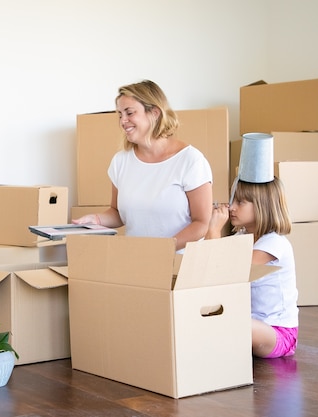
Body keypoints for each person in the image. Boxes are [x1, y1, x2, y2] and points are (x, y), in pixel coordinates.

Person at [72, 80, 213, 251]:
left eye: (129, 113)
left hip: (179, 264)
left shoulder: (190, 160)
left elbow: (201, 223)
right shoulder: (121, 161)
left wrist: (162, 248)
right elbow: (117, 213)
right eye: (119, 115)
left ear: (154, 113)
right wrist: (96, 220)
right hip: (137, 261)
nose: (123, 121)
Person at [206, 177, 299, 358]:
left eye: (240, 202)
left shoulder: (274, 244)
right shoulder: (242, 240)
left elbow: (227, 272)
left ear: (262, 205)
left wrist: (214, 231)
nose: (232, 207)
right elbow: (209, 265)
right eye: (232, 200)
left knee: (229, 323)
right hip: (251, 324)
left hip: (277, 333)